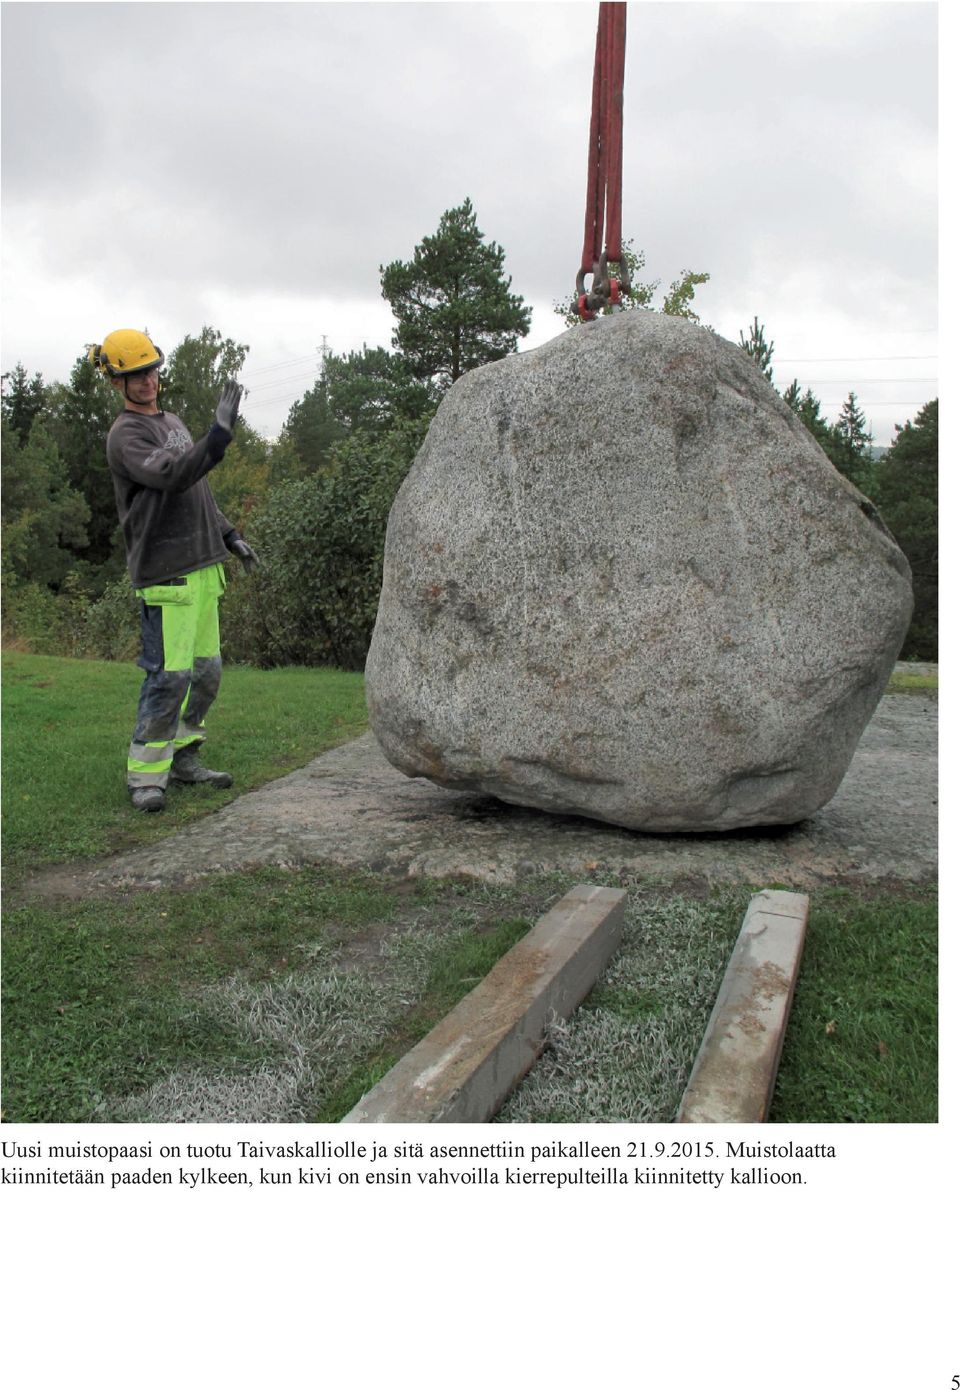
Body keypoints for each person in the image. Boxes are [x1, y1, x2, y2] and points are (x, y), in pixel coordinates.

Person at [89, 328, 258, 813]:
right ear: (116, 382)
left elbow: (196, 491)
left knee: (205, 675)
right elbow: (174, 474)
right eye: (135, 374)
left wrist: (228, 534)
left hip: (204, 568)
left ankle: (185, 759)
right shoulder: (127, 435)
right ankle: (146, 777)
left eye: (151, 369)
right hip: (167, 575)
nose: (147, 380)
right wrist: (218, 438)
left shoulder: (172, 421)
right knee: (168, 677)